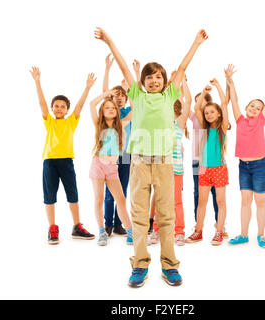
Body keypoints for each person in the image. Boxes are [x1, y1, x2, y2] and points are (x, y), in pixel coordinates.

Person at [94, 27, 208, 287]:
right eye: (149, 78)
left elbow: (181, 68)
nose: (154, 81)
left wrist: (196, 43)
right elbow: (124, 68)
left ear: (164, 82)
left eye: (158, 77)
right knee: (139, 216)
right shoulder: (136, 96)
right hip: (140, 163)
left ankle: (169, 265)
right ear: (143, 82)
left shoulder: (170, 95)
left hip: (165, 163)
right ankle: (140, 264)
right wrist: (110, 41)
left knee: (166, 216)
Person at [226, 65, 265, 248]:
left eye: (258, 108)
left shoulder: (261, 121)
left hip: (260, 166)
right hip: (243, 167)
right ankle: (243, 234)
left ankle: (261, 234)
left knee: (260, 200)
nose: (255, 109)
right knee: (245, 200)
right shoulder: (240, 120)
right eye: (252, 106)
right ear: (246, 108)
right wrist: (230, 81)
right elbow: (234, 101)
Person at [30, 66, 95, 245]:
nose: (59, 109)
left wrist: (88, 87)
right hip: (50, 162)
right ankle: (52, 227)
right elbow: (42, 104)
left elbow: (80, 106)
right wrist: (37, 81)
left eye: (62, 107)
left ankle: (76, 226)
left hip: (66, 162)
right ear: (52, 109)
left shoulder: (71, 122)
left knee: (72, 193)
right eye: (56, 106)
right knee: (49, 195)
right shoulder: (49, 121)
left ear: (67, 110)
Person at [185, 77, 230, 246]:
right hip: (204, 169)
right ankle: (198, 231)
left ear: (218, 113)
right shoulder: (203, 127)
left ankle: (219, 231)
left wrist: (217, 85)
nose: (209, 114)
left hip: (219, 168)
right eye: (207, 113)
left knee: (220, 201)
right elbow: (196, 107)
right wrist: (203, 92)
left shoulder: (222, 127)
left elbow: (225, 103)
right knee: (201, 201)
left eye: (212, 112)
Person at [148, 75, 191, 247]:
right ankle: (157, 231)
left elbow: (187, 104)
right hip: (160, 168)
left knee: (176, 201)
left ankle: (179, 232)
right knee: (160, 201)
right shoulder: (158, 124)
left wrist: (183, 82)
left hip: (176, 169)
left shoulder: (178, 123)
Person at [89, 89, 133, 246]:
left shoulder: (121, 124)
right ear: (103, 111)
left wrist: (130, 86)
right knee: (99, 198)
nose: (110, 109)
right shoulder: (98, 124)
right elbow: (92, 104)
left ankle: (130, 231)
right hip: (98, 165)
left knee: (120, 198)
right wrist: (106, 93)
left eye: (113, 108)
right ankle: (102, 231)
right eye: (107, 107)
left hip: (112, 167)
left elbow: (134, 108)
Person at [102, 54, 133, 237]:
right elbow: (105, 91)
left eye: (122, 96)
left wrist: (129, 87)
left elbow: (137, 100)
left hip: (127, 155)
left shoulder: (130, 111)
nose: (119, 98)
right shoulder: (110, 113)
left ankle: (118, 223)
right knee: (109, 192)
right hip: (111, 156)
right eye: (116, 96)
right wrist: (107, 68)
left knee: (123, 189)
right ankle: (108, 223)